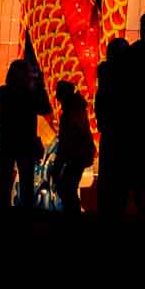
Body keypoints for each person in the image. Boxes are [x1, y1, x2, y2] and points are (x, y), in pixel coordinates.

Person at [0, 58, 51, 214]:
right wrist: (39, 85)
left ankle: (4, 213)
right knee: (25, 184)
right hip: (24, 143)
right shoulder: (27, 95)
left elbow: (44, 108)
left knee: (6, 183)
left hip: (8, 143)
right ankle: (25, 216)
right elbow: (45, 108)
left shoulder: (3, 92)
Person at [93, 37, 131, 219]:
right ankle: (116, 213)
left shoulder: (105, 73)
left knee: (109, 175)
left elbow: (99, 102)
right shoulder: (127, 74)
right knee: (119, 176)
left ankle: (107, 213)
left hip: (110, 130)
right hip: (122, 132)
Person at [52, 79, 94, 214]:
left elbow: (66, 141)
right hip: (80, 155)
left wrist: (58, 165)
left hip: (76, 156)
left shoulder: (70, 114)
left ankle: (73, 216)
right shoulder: (77, 109)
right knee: (68, 187)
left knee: (66, 188)